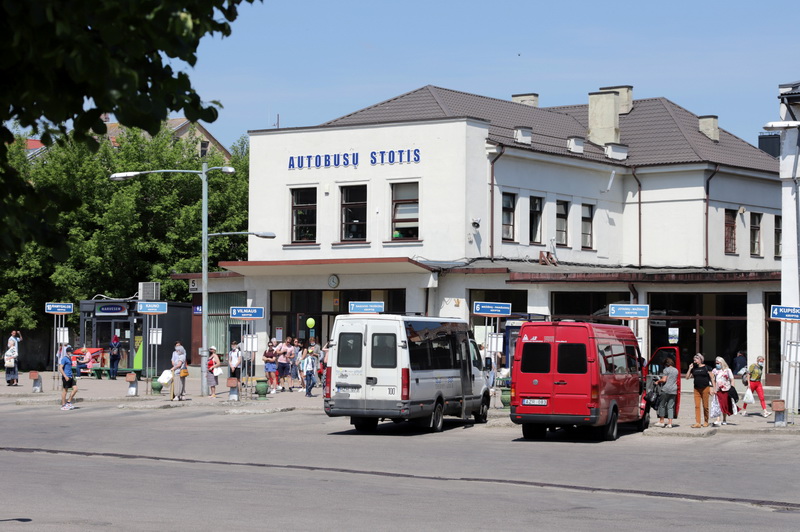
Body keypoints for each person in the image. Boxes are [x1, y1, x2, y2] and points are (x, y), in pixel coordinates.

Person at [686, 353, 716, 428]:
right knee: (697, 406)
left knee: (705, 406)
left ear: (700, 360)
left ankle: (706, 421)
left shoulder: (707, 367)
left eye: (696, 359)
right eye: (694, 359)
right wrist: (690, 368)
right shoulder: (694, 368)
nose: (694, 360)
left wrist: (713, 388)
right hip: (696, 389)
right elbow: (687, 377)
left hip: (705, 388)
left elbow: (712, 378)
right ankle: (698, 423)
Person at [654, 357, 678, 428]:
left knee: (662, 405)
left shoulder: (666, 370)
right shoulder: (676, 370)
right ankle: (670, 423)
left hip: (666, 389)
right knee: (670, 407)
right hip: (673, 390)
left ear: (666, 364)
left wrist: (658, 381)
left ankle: (661, 421)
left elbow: (664, 380)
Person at [711, 356, 734, 426]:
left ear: (722, 363)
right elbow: (713, 380)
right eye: (716, 363)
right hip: (718, 390)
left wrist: (732, 388)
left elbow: (732, 379)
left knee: (724, 405)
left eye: (718, 363)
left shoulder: (728, 370)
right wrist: (714, 388)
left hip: (726, 389)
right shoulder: (715, 370)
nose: (717, 364)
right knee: (718, 404)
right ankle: (718, 419)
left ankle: (724, 419)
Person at [58, 345, 78, 410]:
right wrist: (65, 376)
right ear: (68, 352)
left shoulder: (70, 359)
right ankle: (63, 405)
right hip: (66, 376)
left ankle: (68, 402)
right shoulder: (64, 359)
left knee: (75, 389)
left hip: (70, 376)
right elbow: (60, 368)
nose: (72, 353)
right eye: (71, 352)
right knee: (65, 391)